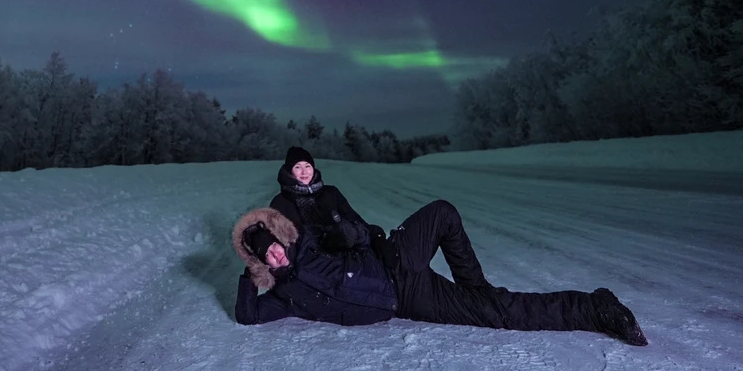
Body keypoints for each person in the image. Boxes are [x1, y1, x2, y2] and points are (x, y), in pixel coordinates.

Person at [232, 199, 648, 346]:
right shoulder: (286, 297)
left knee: (442, 213)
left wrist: (355, 233)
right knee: (498, 313)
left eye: (274, 245)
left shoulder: (309, 242)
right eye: (266, 256)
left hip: (395, 260)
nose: (276, 255)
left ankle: (476, 287)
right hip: (408, 300)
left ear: (282, 237)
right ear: (261, 262)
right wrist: (249, 277)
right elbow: (248, 316)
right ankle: (595, 308)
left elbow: (353, 232)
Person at [269, 146, 371, 252]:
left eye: (307, 166)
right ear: (290, 171)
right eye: (298, 167)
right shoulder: (280, 202)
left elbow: (355, 220)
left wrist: (377, 235)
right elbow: (276, 242)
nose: (304, 172)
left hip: (346, 254)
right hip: (308, 258)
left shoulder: (331, 193)